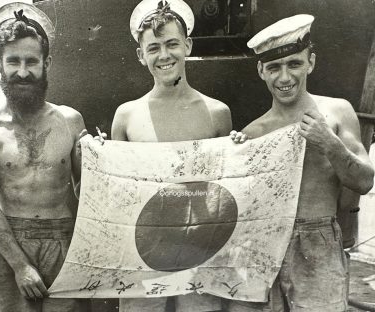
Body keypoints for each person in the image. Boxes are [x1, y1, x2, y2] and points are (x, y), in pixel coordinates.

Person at [229, 14, 374, 311]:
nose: (284, 77)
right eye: (274, 68)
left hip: (318, 246)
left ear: (310, 62)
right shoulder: (253, 133)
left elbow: (364, 181)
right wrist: (235, 159)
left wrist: (330, 143)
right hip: (264, 246)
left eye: (294, 64)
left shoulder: (335, 112)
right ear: (261, 71)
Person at [111, 0, 238, 311]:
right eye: (153, 48)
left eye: (172, 44)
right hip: (143, 253)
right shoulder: (126, 117)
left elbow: (226, 191)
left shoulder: (217, 113)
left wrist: (240, 149)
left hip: (200, 252)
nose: (164, 55)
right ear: (141, 56)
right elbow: (118, 195)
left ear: (188, 46)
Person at [0, 3, 89, 311]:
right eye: (13, 61)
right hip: (12, 249)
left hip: (65, 245)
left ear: (47, 62)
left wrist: (99, 160)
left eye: (31, 61)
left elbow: (88, 192)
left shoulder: (70, 121)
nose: (22, 71)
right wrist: (20, 266)